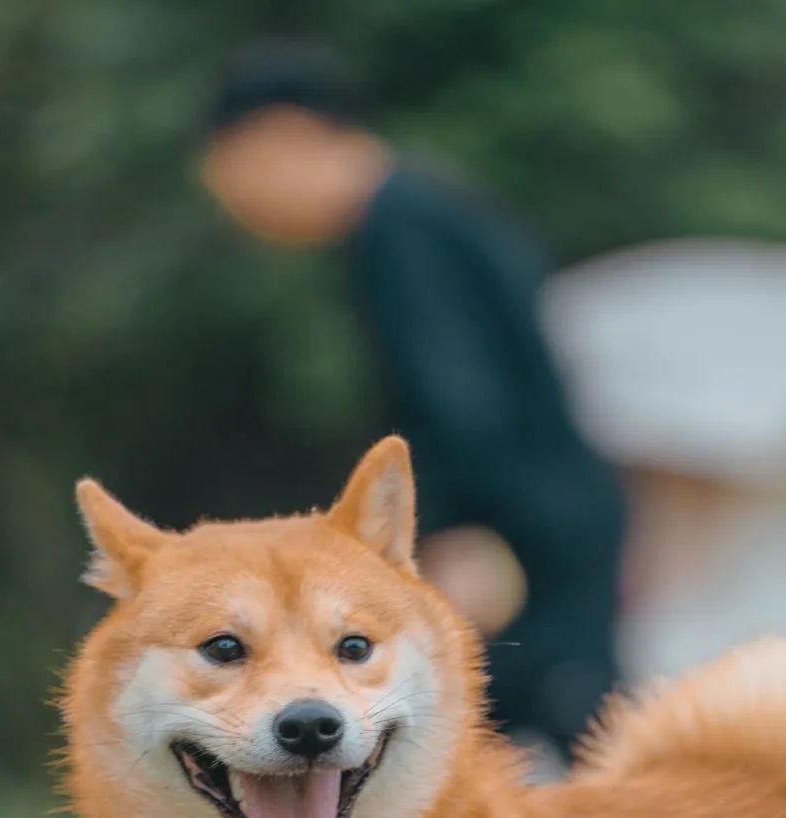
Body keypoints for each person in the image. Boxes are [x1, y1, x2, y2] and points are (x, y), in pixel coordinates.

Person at [198, 41, 626, 757]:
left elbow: (458, 395)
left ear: (285, 137)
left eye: (236, 179)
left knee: (574, 734)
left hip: (523, 527)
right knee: (548, 737)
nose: (244, 210)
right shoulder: (417, 210)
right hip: (545, 511)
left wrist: (455, 529)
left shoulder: (401, 227)